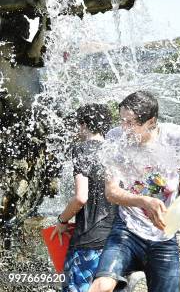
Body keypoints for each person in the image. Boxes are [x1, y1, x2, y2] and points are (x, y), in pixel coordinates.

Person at [88, 91, 180, 292]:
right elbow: (111, 192)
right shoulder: (115, 139)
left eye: (131, 123)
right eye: (122, 121)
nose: (124, 128)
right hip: (126, 231)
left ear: (151, 121)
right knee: (101, 286)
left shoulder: (176, 137)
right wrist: (144, 201)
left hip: (164, 235)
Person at [52, 104, 115, 292]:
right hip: (117, 242)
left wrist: (62, 220)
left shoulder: (82, 150)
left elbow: (81, 197)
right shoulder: (116, 151)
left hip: (89, 240)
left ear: (83, 124)